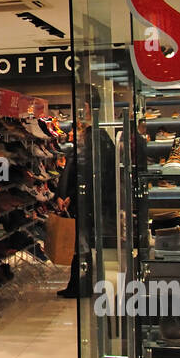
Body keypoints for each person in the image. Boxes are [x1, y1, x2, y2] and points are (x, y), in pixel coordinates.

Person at [57, 85, 116, 299]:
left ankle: (80, 285)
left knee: (81, 243)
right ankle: (78, 283)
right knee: (82, 243)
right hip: (88, 199)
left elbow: (85, 171)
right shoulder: (97, 136)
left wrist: (72, 194)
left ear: (87, 107)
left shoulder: (92, 137)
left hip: (85, 200)